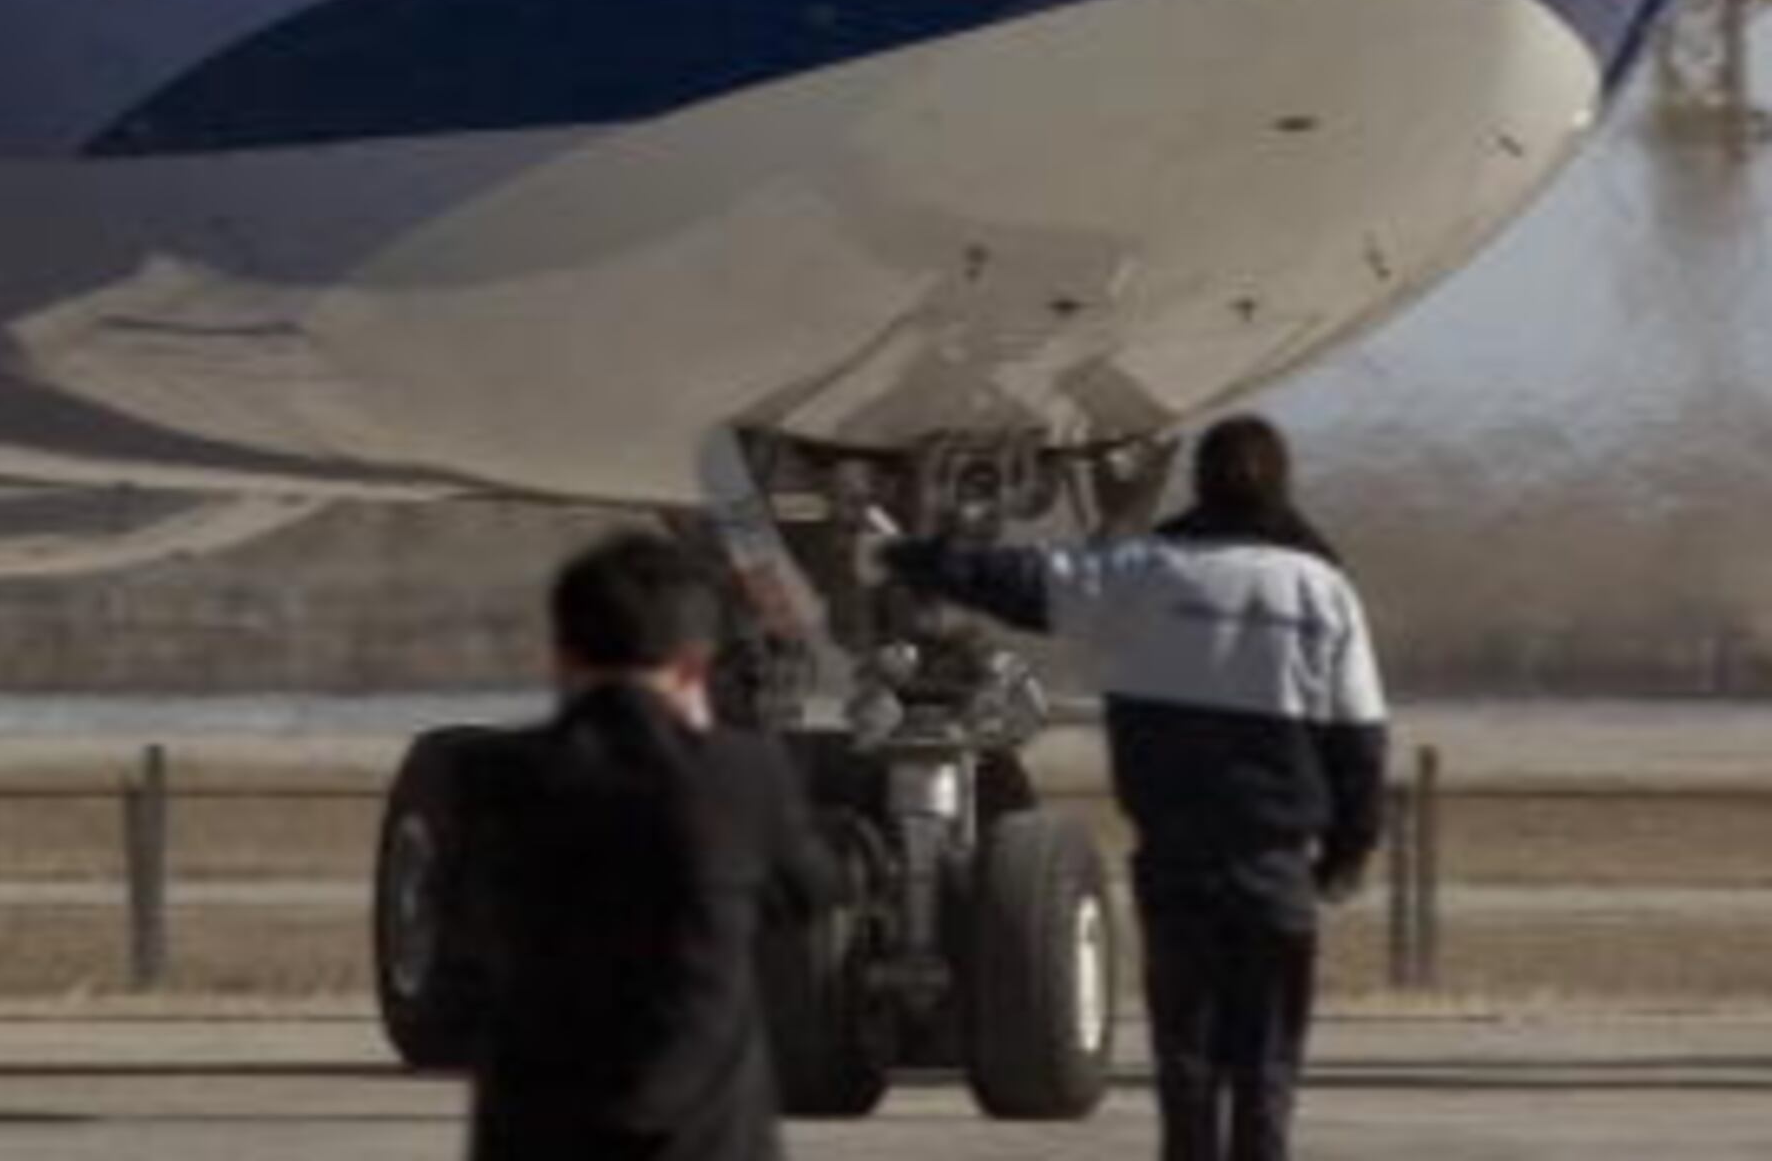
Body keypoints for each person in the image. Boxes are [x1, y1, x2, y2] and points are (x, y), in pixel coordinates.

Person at [885, 416, 1387, 1161]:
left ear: (1201, 482)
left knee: (1184, 1064)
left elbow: (1023, 584)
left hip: (1178, 861)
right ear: (1281, 485)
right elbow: (1360, 741)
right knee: (1265, 1068)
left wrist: (911, 555)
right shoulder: (1322, 591)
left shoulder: (1145, 573)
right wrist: (1345, 855)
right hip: (1275, 867)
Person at [464, 531, 832, 1161]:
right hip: (703, 1137)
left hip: (541, 1130)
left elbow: (463, 924)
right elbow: (811, 892)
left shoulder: (497, 775)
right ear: (693, 666)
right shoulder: (742, 775)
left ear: (561, 655)